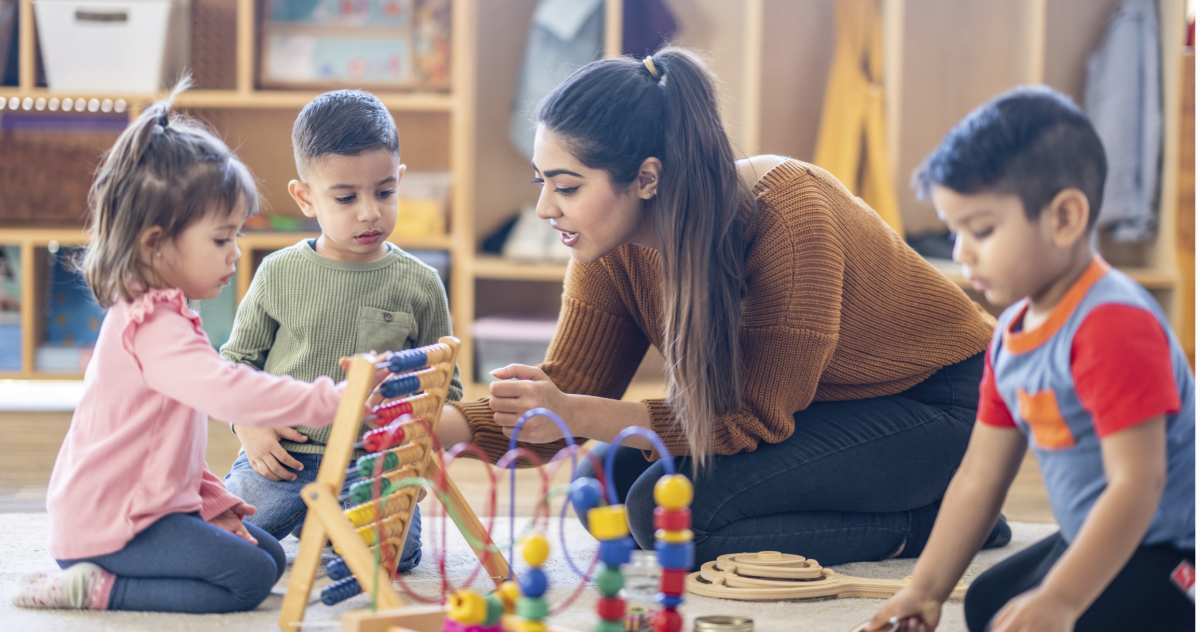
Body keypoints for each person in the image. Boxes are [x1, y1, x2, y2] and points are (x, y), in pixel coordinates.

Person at [436, 47, 1009, 566]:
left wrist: (576, 413)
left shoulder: (788, 217)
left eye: (566, 187)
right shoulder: (608, 248)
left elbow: (752, 418)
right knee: (604, 488)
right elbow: (565, 391)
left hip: (946, 406)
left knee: (670, 519)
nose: (543, 208)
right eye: (542, 183)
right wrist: (441, 427)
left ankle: (937, 524)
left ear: (646, 178)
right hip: (822, 407)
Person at [12, 80, 347, 613]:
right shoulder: (153, 326)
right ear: (155, 242)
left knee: (263, 550)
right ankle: (98, 588)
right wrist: (333, 400)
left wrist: (210, 503)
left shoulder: (162, 311)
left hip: (140, 507)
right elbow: (228, 393)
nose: (235, 254)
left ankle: (114, 571)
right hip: (111, 525)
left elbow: (167, 446)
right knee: (250, 578)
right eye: (221, 239)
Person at [866, 86, 1194, 632]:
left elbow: (1139, 485)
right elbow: (979, 475)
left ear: (1064, 218)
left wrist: (1062, 600)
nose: (962, 252)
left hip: (1171, 548)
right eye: (955, 231)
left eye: (982, 231)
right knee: (989, 605)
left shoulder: (1113, 324)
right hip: (1098, 528)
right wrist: (923, 590)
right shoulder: (1013, 333)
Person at [222, 90, 461, 573]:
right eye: (346, 197)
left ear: (401, 182)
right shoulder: (278, 272)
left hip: (371, 466)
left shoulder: (421, 283)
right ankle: (311, 520)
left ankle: (325, 526)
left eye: (385, 192)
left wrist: (410, 444)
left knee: (393, 558)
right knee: (220, 540)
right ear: (305, 197)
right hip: (284, 458)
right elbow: (233, 365)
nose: (369, 212)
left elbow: (446, 388)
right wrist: (248, 424)